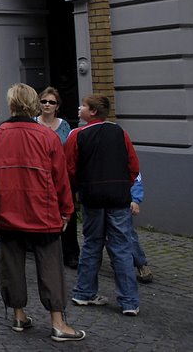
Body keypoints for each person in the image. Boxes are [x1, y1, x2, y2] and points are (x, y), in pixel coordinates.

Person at [0, 83, 85, 342]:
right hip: (43, 211)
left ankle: (18, 315)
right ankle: (58, 323)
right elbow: (61, 178)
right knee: (50, 267)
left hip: (8, 209)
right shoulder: (47, 136)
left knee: (12, 265)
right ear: (34, 104)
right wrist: (67, 211)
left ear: (12, 104)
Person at [65, 93, 140, 316]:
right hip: (118, 196)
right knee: (121, 247)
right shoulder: (120, 133)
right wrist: (123, 186)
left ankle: (83, 292)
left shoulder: (77, 135)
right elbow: (133, 165)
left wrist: (80, 188)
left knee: (91, 244)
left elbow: (69, 167)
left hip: (93, 196)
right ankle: (129, 301)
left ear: (93, 112)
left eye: (84, 106)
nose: (79, 108)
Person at [36, 87, 80, 269]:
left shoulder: (64, 125)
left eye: (51, 102)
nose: (47, 105)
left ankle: (70, 252)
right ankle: (46, 250)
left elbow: (69, 150)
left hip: (60, 175)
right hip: (40, 176)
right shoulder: (33, 124)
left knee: (67, 213)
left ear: (57, 106)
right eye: (44, 101)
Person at [130, 173, 153, 283]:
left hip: (118, 200)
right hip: (96, 199)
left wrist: (135, 199)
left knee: (128, 235)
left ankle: (141, 265)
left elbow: (135, 174)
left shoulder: (125, 155)